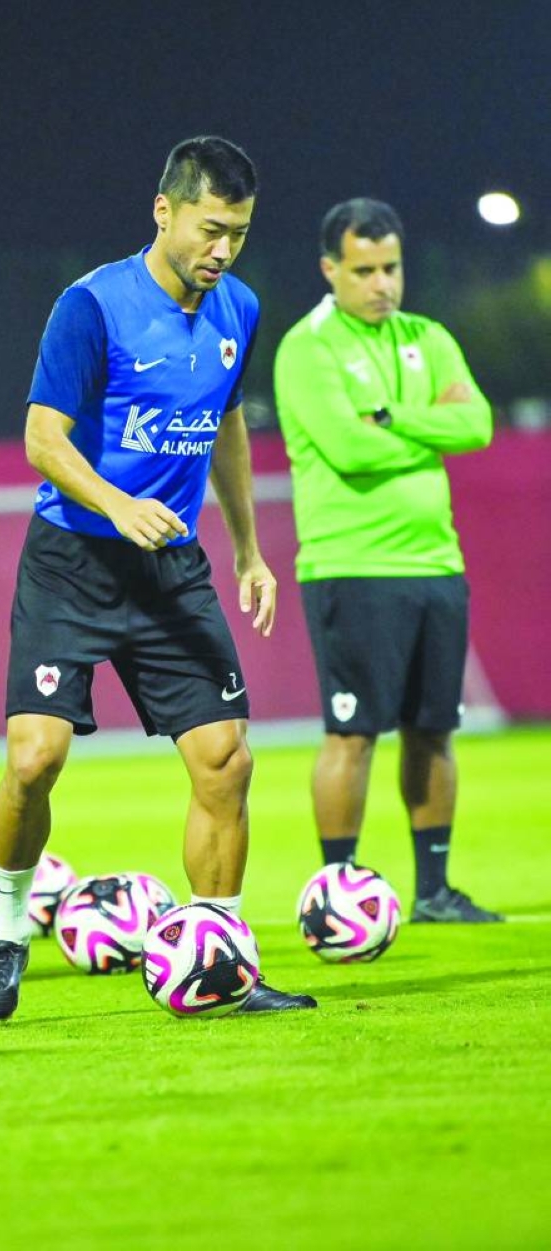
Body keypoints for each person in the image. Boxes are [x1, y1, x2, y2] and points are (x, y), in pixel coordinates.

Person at [0, 135, 318, 1022]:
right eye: (210, 228)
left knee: (225, 761)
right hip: (74, 561)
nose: (224, 249)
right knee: (34, 758)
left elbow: (228, 425)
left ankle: (224, 954)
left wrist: (247, 548)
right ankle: (8, 929)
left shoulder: (237, 305)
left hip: (171, 572)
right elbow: (43, 440)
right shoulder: (92, 306)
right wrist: (120, 504)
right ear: (163, 212)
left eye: (237, 232)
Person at [273, 198, 503, 923]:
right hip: (352, 564)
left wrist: (396, 418)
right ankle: (335, 892)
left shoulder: (428, 337)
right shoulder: (306, 347)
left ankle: (433, 889)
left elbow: (479, 424)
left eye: (392, 268)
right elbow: (347, 447)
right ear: (330, 269)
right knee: (352, 732)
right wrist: (429, 431)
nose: (382, 284)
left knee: (433, 728)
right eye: (365, 270)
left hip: (435, 562)